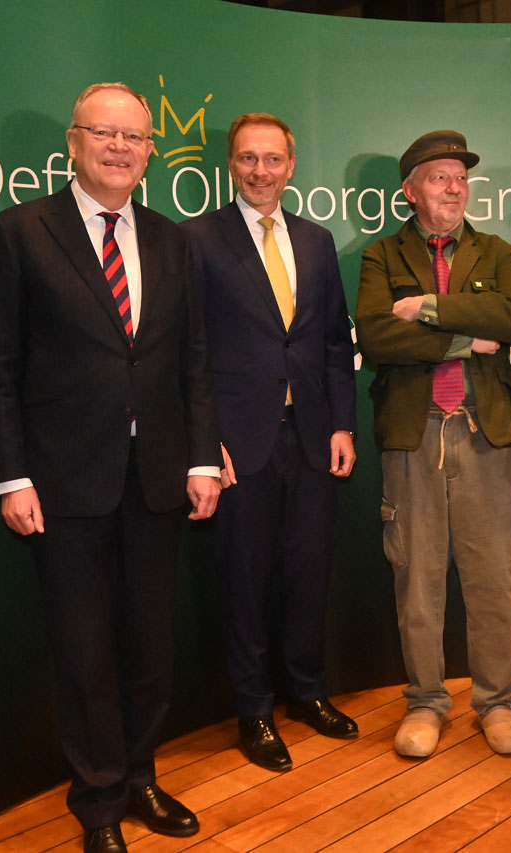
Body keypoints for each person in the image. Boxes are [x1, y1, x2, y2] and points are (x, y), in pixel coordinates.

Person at [0, 82, 221, 853]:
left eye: (135, 138)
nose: (120, 147)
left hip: (155, 478)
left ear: (151, 152)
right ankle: (100, 804)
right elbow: (0, 368)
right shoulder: (20, 231)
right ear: (73, 142)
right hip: (63, 485)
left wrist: (200, 457)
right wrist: (13, 476)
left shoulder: (172, 240)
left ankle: (143, 774)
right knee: (84, 652)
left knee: (150, 644)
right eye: (104, 133)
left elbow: (193, 363)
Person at [182, 113, 358, 772]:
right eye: (249, 158)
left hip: (311, 438)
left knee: (309, 576)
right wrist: (205, 444)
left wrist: (342, 422)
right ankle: (254, 710)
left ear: (291, 164)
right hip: (238, 446)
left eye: (273, 159)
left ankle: (308, 692)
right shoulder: (195, 239)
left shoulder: (315, 240)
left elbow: (333, 341)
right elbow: (187, 352)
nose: (262, 170)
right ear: (231, 164)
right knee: (245, 583)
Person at [355, 130, 511, 758]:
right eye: (438, 177)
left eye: (460, 176)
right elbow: (376, 338)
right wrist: (465, 337)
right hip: (414, 433)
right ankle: (426, 702)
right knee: (418, 577)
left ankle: (496, 701)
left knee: (491, 576)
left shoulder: (498, 250)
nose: (454, 187)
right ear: (411, 191)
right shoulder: (380, 256)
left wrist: (424, 306)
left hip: (486, 434)